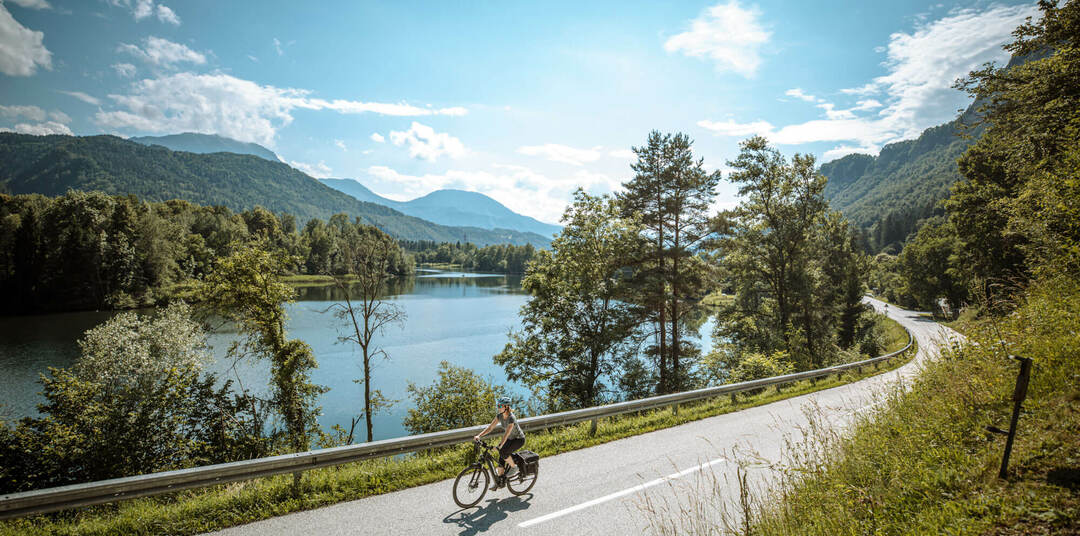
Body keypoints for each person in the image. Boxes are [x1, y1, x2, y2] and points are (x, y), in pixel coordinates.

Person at [474, 396, 525, 490]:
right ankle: (499, 481)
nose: (498, 407)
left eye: (500, 405)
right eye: (498, 405)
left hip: (518, 439)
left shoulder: (511, 417)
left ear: (506, 406)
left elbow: (507, 433)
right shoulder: (499, 416)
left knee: (503, 452)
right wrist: (479, 436)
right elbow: (490, 428)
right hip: (510, 439)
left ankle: (514, 467)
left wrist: (500, 445)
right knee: (501, 459)